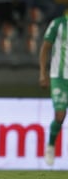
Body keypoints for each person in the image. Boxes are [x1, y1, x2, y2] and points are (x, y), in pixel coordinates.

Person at [39, 13, 68, 166]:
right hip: (60, 77)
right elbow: (45, 48)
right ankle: (50, 145)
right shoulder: (58, 23)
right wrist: (43, 73)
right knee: (60, 115)